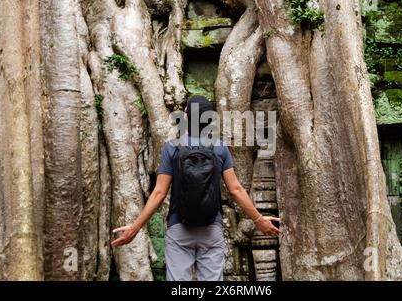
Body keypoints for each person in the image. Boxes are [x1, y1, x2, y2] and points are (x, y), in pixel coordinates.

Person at [111, 95, 280, 281]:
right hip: (211, 229)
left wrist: (135, 229)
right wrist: (258, 219)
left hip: (179, 230)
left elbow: (159, 193)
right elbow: (235, 190)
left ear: (187, 118)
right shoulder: (219, 147)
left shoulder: (172, 148)